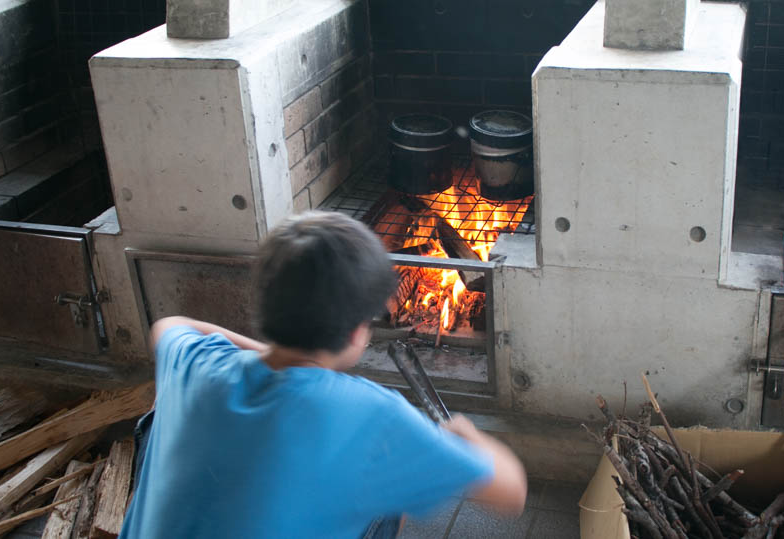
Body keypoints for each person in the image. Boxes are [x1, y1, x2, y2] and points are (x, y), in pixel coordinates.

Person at [119, 211, 527, 539]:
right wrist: (467, 435)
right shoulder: (374, 415)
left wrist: (272, 357)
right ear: (356, 332)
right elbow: (511, 492)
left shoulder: (195, 362)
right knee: (390, 491)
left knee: (160, 418)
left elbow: (170, 326)